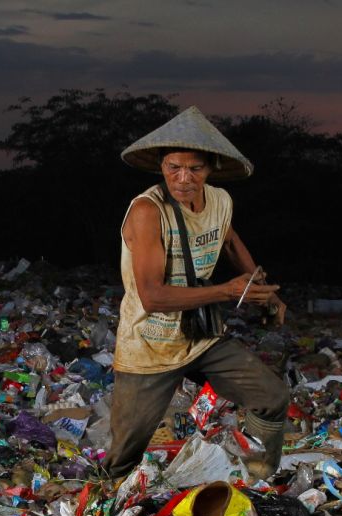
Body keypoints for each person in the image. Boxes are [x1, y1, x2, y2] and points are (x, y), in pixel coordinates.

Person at [105, 106, 292, 479]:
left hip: (201, 336)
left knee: (272, 398)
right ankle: (107, 512)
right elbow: (152, 297)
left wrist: (262, 292)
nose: (184, 178)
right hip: (149, 345)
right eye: (174, 167)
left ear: (211, 169)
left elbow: (231, 244)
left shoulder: (220, 201)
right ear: (161, 166)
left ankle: (253, 479)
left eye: (195, 168)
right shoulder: (147, 211)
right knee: (123, 460)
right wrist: (228, 291)